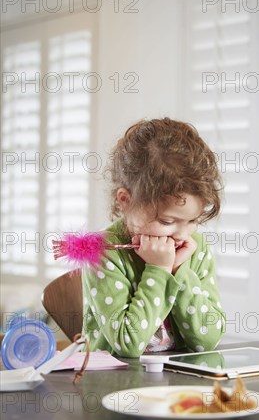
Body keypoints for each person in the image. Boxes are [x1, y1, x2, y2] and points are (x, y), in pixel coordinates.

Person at [82, 117, 226, 357]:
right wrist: (159, 270)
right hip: (116, 383)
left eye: (192, 221)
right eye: (167, 222)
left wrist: (180, 271)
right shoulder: (104, 252)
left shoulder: (195, 249)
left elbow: (208, 340)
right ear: (126, 201)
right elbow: (128, 344)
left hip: (178, 384)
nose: (182, 234)